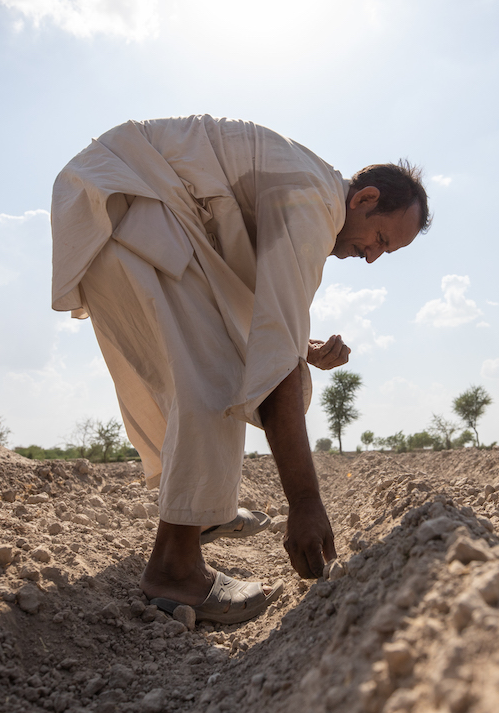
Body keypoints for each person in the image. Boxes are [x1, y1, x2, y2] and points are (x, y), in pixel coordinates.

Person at [50, 115, 429, 624]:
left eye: (387, 251)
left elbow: (262, 316)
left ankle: (200, 515)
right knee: (218, 385)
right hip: (129, 202)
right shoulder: (314, 203)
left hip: (132, 203)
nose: (373, 258)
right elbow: (274, 362)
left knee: (221, 372)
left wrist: (299, 349)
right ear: (363, 200)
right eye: (381, 238)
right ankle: (175, 570)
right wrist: (305, 502)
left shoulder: (310, 190)